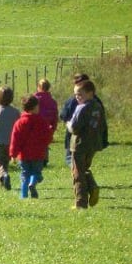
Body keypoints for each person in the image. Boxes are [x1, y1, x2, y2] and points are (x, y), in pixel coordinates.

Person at [68, 79, 106, 210]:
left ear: (90, 93)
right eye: (75, 94)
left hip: (79, 144)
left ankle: (80, 203)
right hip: (93, 144)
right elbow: (102, 125)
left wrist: (68, 125)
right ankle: (92, 187)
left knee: (77, 173)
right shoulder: (98, 107)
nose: (77, 97)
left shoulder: (81, 108)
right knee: (84, 169)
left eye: (80, 94)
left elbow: (75, 127)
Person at [59, 73, 108, 165]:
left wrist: (68, 124)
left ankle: (80, 174)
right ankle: (84, 173)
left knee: (74, 162)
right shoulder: (97, 103)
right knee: (85, 164)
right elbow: (102, 122)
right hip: (93, 140)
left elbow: (64, 116)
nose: (77, 96)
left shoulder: (76, 103)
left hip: (78, 140)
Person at [8, 95, 52, 199]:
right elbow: (47, 136)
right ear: (35, 107)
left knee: (25, 174)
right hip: (38, 154)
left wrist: (13, 154)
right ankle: (33, 183)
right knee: (37, 172)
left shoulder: (19, 123)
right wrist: (46, 143)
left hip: (24, 155)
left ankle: (23, 195)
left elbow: (15, 139)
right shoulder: (42, 121)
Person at [0, 86, 20, 190]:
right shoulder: (16, 112)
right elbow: (19, 126)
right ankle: (2, 182)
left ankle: (3, 175)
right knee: (5, 163)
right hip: (10, 142)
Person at [34, 78, 59, 166]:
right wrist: (53, 127)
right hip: (47, 125)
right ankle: (44, 159)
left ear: (38, 87)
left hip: (35, 125)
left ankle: (36, 159)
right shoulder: (52, 101)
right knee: (44, 143)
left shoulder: (34, 100)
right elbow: (55, 116)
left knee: (35, 143)